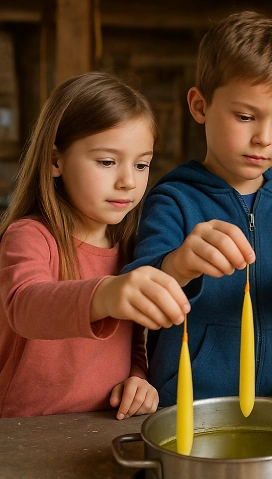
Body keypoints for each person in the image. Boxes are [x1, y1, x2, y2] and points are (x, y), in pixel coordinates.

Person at [122, 11, 272, 407]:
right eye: (245, 116)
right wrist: (180, 264)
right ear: (200, 105)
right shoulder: (172, 200)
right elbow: (135, 296)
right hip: (188, 406)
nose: (263, 138)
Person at [0, 72, 190, 419]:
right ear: (55, 160)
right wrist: (107, 293)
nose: (128, 181)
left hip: (102, 430)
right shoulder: (28, 235)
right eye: (107, 161)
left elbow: (132, 341)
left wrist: (138, 377)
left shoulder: (129, 246)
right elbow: (24, 306)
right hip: (23, 435)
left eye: (141, 164)